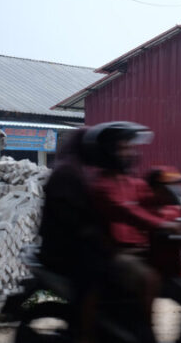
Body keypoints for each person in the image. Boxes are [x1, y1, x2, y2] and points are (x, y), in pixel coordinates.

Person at [82, 121, 181, 343]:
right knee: (149, 278)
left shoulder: (129, 180)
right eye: (123, 147)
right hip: (111, 253)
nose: (130, 152)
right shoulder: (103, 185)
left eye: (130, 147)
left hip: (134, 248)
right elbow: (129, 212)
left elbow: (149, 199)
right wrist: (161, 225)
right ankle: (143, 332)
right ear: (108, 151)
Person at [39, 128, 111, 343]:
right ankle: (85, 334)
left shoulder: (78, 170)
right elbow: (71, 216)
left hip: (73, 244)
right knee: (95, 281)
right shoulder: (67, 172)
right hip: (63, 250)